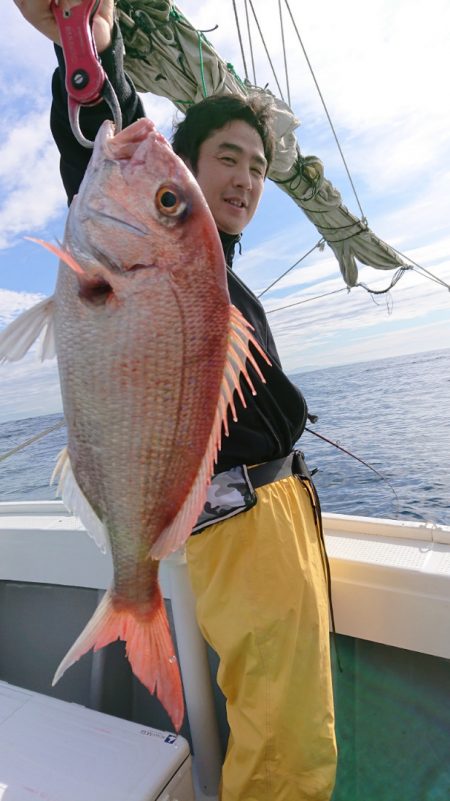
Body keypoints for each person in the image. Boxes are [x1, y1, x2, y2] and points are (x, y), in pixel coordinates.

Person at [14, 2, 337, 799]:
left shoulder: (209, 276)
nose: (247, 179)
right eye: (227, 159)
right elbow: (101, 140)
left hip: (276, 521)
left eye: (259, 167)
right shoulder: (178, 258)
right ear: (187, 164)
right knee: (288, 750)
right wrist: (87, 42)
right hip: (253, 534)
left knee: (288, 728)